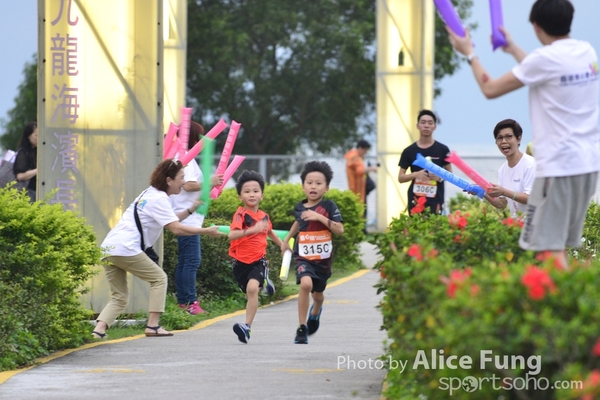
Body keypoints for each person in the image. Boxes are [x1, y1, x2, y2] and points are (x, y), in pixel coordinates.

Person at [446, 0, 599, 268]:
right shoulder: (586, 52)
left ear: (536, 27)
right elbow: (545, 71)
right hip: (588, 165)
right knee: (558, 245)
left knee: (547, 249)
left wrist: (469, 52)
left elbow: (490, 88)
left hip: (559, 167)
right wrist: (512, 47)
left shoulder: (544, 60)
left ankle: (561, 305)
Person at [92, 159, 222, 339]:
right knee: (159, 279)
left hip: (110, 248)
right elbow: (176, 228)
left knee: (120, 296)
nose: (183, 183)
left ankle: (98, 330)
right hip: (126, 248)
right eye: (181, 178)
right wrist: (206, 231)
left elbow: (171, 218)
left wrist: (191, 209)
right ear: (169, 180)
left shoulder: (150, 194)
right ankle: (153, 326)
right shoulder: (160, 199)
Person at [281, 161, 344, 344]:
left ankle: (316, 311)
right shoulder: (300, 207)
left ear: (327, 188)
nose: (313, 186)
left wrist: (319, 217)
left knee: (318, 295)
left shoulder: (329, 206)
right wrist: (286, 240)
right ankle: (302, 328)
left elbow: (339, 230)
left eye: (318, 183)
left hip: (322, 262)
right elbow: (298, 222)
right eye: (309, 183)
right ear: (303, 186)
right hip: (303, 257)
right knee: (305, 285)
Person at [169, 121, 224, 315]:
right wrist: (210, 182)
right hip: (187, 218)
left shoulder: (181, 157)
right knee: (191, 260)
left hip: (185, 215)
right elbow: (189, 185)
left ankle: (184, 303)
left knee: (185, 261)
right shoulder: (185, 159)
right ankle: (190, 303)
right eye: (198, 136)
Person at [228, 170, 282, 344]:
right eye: (247, 191)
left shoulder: (264, 216)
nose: (252, 194)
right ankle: (265, 283)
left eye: (255, 191)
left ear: (262, 195)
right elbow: (232, 235)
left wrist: (282, 245)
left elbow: (270, 232)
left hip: (258, 260)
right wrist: (253, 230)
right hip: (240, 262)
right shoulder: (240, 215)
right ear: (240, 196)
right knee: (249, 290)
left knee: (252, 290)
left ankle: (246, 327)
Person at [398, 110, 452, 214]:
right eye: (423, 122)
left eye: (430, 123)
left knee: (434, 229)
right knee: (416, 228)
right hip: (415, 200)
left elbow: (450, 175)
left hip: (436, 199)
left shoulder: (443, 149)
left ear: (435, 127)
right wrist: (415, 174)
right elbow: (400, 178)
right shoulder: (409, 151)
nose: (426, 126)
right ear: (417, 126)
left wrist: (439, 177)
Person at [484, 119, 536, 217]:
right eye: (500, 138)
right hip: (516, 226)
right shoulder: (502, 170)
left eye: (508, 136)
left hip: (534, 225)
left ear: (519, 138)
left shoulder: (530, 165)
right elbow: (502, 204)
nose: (504, 141)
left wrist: (504, 191)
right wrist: (482, 192)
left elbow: (531, 198)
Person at [344, 139, 377, 233]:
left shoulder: (353, 156)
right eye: (365, 151)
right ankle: (359, 231)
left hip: (358, 188)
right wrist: (371, 168)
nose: (365, 153)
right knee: (359, 210)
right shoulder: (355, 157)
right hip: (356, 189)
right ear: (360, 148)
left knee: (361, 209)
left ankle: (360, 230)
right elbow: (360, 171)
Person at [13, 122, 38, 202]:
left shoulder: (38, 151)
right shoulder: (23, 152)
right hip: (28, 192)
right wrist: (39, 170)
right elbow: (20, 176)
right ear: (28, 136)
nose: (40, 138)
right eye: (37, 135)